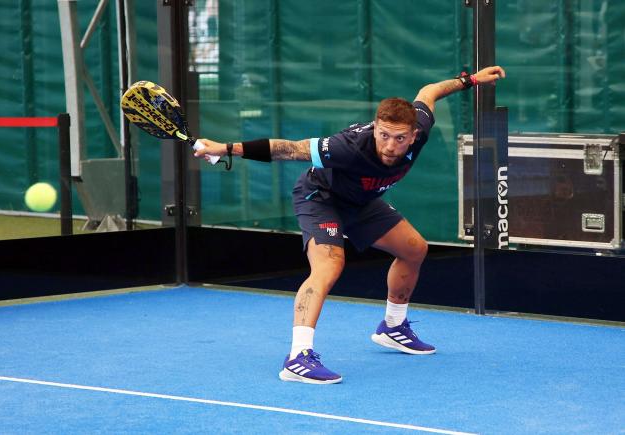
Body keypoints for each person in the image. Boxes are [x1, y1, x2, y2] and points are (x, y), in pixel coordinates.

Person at [194, 66, 506, 384]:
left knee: (414, 249)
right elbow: (288, 148)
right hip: (321, 197)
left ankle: (394, 327)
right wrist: (225, 148)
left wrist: (468, 81)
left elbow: (428, 92)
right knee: (329, 265)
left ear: (413, 135)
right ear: (375, 129)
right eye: (383, 135)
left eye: (399, 139)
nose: (389, 145)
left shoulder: (420, 127)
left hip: (362, 201)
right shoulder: (347, 146)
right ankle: (298, 357)